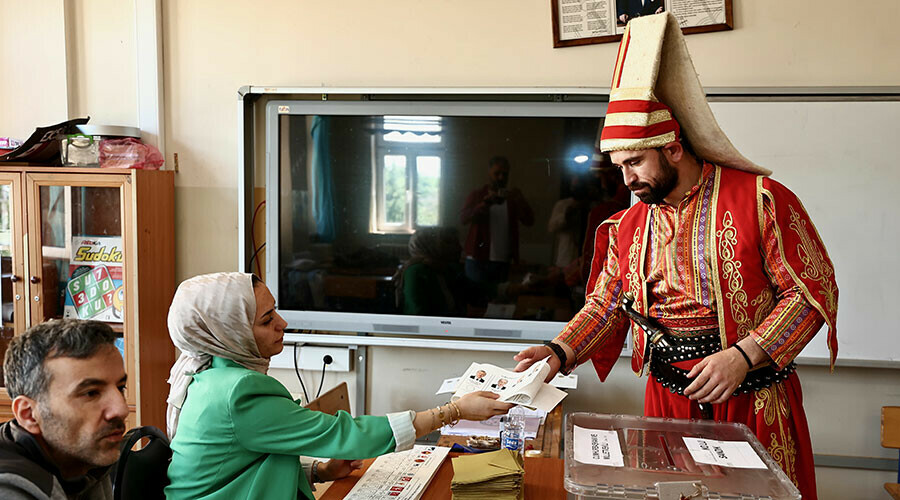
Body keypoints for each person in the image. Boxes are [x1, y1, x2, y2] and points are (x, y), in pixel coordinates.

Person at [513, 13, 836, 500]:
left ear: (673, 149)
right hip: (667, 394)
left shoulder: (761, 199)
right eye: (619, 167)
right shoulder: (629, 225)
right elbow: (608, 303)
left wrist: (743, 357)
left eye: (635, 162)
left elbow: (811, 291)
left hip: (749, 391)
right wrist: (558, 352)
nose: (626, 181)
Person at [164, 272, 512, 500]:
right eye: (268, 320)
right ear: (229, 333)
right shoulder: (238, 392)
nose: (283, 324)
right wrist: (453, 411)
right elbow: (346, 434)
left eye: (276, 312)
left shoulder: (209, 372)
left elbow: (233, 466)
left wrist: (318, 470)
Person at [0, 319, 128, 500]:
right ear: (29, 415)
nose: (121, 409)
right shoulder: (8, 490)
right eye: (91, 393)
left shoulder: (84, 456)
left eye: (120, 387)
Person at [460, 156, 534, 285]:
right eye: (497, 173)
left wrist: (520, 200)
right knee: (476, 300)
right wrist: (484, 204)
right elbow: (463, 219)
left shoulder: (512, 198)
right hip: (477, 259)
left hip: (503, 261)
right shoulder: (478, 195)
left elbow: (529, 221)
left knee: (498, 302)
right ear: (489, 173)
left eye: (504, 174)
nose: (501, 177)